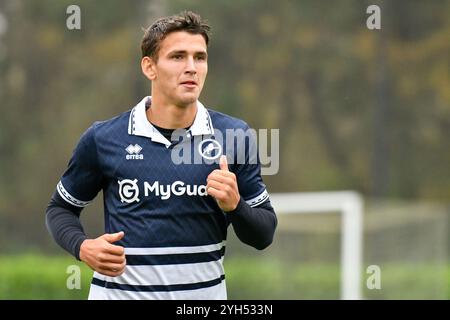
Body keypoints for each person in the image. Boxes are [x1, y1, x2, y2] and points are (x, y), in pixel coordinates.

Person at [46, 10, 277, 300]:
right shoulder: (103, 138)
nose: (191, 67)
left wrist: (236, 206)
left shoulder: (235, 136)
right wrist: (82, 246)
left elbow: (264, 234)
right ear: (149, 67)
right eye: (178, 57)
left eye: (200, 57)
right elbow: (60, 209)